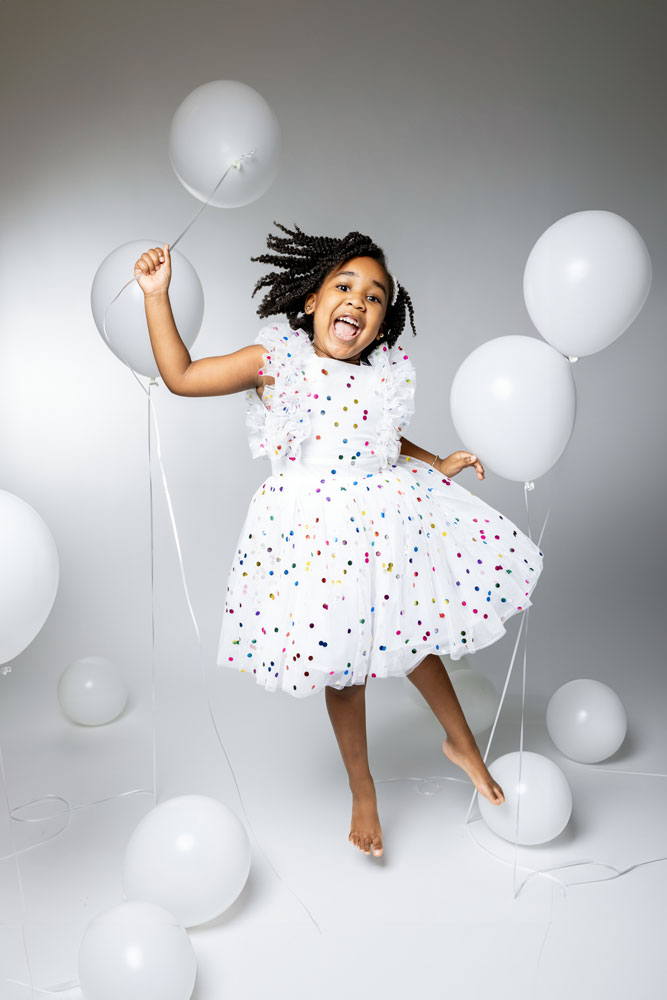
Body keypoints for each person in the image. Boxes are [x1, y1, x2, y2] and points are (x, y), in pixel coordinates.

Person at [135, 222, 544, 860]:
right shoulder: (277, 361)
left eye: (375, 296)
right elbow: (183, 376)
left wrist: (438, 461)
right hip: (316, 537)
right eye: (345, 286)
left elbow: (380, 439)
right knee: (344, 666)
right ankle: (362, 787)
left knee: (415, 638)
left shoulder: (381, 377)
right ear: (311, 301)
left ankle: (461, 741)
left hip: (382, 521)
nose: (359, 300)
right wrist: (157, 296)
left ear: (382, 324)